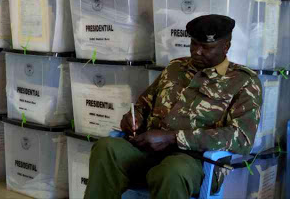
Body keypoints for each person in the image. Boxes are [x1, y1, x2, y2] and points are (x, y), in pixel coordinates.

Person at [84, 14, 263, 199]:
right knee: (106, 148)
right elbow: (144, 104)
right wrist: (133, 117)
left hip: (194, 161)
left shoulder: (243, 82)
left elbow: (242, 138)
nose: (197, 52)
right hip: (148, 151)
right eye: (194, 44)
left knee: (171, 171)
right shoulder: (176, 67)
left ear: (226, 47)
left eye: (206, 47)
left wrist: (172, 138)